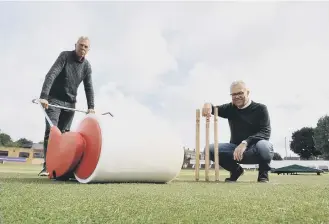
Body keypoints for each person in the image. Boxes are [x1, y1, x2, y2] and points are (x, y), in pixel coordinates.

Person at [38, 36, 95, 176]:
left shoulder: (87, 66)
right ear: (75, 45)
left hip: (70, 103)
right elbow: (51, 74)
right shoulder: (65, 56)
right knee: (52, 132)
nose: (83, 48)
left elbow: (89, 87)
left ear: (88, 49)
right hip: (54, 100)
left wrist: (91, 107)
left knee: (65, 134)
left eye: (86, 47)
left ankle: (62, 167)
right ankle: (47, 167)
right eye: (81, 45)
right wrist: (44, 96)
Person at [202, 80, 274, 183]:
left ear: (247, 92)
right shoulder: (230, 108)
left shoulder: (260, 108)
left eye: (240, 93)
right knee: (209, 149)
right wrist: (207, 104)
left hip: (254, 150)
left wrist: (245, 142)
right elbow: (213, 109)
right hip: (235, 151)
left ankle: (263, 175)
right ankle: (236, 171)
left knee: (264, 146)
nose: (236, 97)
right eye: (233, 94)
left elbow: (265, 132)